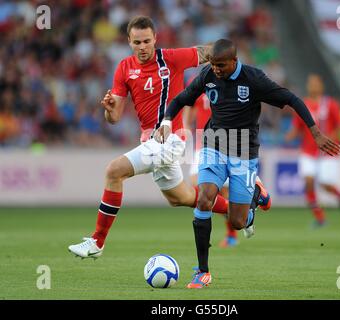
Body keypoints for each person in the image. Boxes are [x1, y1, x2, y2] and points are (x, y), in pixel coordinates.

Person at [154, 39, 340, 288]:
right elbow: (180, 100)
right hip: (213, 144)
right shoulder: (208, 74)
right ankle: (202, 271)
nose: (216, 70)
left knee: (237, 221)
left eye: (221, 65)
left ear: (234, 61)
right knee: (204, 198)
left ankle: (255, 196)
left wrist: (315, 132)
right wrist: (166, 122)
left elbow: (292, 99)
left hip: (244, 150)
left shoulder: (254, 79)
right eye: (213, 64)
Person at [68, 16, 242, 259]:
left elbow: (209, 51)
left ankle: (97, 242)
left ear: (155, 39)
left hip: (171, 139)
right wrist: (108, 110)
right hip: (150, 141)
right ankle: (242, 211)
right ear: (129, 41)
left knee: (113, 171)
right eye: (137, 42)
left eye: (147, 41)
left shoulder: (171, 58)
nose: (142, 47)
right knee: (182, 197)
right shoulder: (124, 68)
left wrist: (230, 57)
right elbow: (115, 118)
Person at [183, 73, 271, 248]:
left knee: (217, 192)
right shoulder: (199, 80)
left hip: (227, 141)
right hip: (204, 141)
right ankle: (248, 211)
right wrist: (185, 125)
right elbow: (189, 103)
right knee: (199, 187)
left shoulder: (234, 81)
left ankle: (241, 220)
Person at [285, 74, 340, 227]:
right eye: (310, 84)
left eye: (315, 83)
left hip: (327, 152)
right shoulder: (304, 105)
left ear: (321, 86)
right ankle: (320, 217)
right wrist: (289, 136)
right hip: (308, 151)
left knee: (325, 184)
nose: (313, 86)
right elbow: (297, 127)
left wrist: (330, 138)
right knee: (308, 182)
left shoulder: (330, 104)